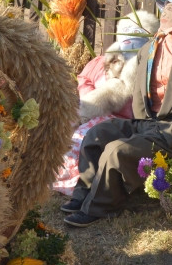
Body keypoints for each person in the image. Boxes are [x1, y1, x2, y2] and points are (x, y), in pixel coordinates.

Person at [62, 0, 172, 227]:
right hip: (147, 123)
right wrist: (140, 125)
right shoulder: (148, 50)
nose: (166, 11)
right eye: (165, 6)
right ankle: (84, 193)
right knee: (97, 135)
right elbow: (140, 95)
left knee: (117, 150)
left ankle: (100, 206)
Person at [52, 11, 158, 197]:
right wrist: (90, 97)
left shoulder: (148, 70)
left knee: (86, 138)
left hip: (118, 122)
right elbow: (85, 79)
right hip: (85, 111)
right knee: (62, 129)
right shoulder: (102, 61)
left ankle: (77, 181)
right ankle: (49, 172)